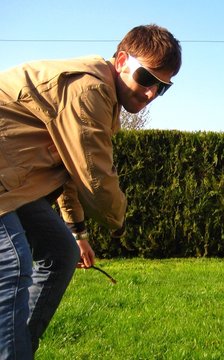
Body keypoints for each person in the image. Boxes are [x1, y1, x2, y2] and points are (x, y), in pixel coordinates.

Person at [0, 24, 182, 359]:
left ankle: (17, 349)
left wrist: (77, 231)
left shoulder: (103, 96)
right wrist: (120, 222)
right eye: (146, 77)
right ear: (122, 60)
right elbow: (94, 176)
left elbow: (67, 169)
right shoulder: (90, 89)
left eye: (163, 87)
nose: (151, 92)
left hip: (11, 182)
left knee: (61, 251)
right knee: (13, 266)